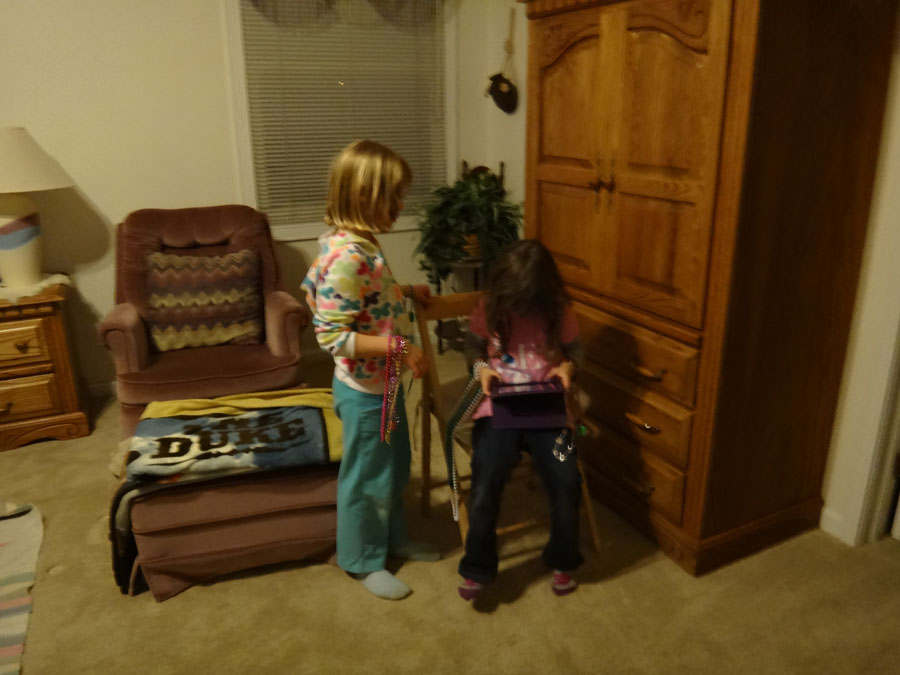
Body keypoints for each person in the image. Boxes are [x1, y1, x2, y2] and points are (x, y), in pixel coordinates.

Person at [302, 140, 437, 600]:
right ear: (362, 196)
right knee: (365, 479)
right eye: (392, 197)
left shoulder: (363, 244)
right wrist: (399, 346)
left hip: (384, 384)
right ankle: (361, 559)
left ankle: (393, 538)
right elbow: (332, 336)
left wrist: (406, 291)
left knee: (393, 467)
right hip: (364, 393)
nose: (400, 206)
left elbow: (368, 297)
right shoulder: (346, 255)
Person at [458, 239, 584, 600]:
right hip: (499, 408)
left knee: (566, 476)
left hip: (550, 410)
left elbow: (576, 351)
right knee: (487, 474)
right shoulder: (489, 307)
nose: (519, 310)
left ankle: (562, 558)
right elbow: (473, 347)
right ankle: (478, 565)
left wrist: (568, 367)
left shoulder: (559, 310)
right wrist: (481, 369)